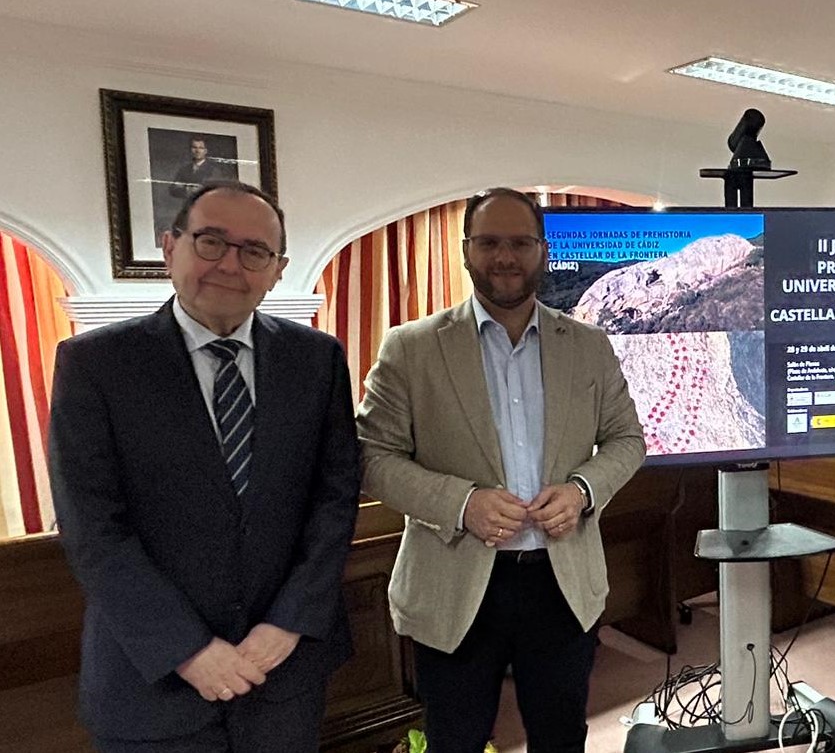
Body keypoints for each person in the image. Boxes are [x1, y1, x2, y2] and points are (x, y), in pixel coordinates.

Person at [48, 181, 362, 752]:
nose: (230, 265)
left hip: (282, 675)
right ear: (170, 248)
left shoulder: (316, 358)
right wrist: (186, 649)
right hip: (152, 684)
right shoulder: (96, 364)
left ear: (278, 270)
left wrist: (288, 621)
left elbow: (334, 498)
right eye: (211, 241)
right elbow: (92, 526)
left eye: (255, 251)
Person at [357, 187, 645, 753]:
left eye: (520, 242)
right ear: (465, 250)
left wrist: (583, 491)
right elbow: (372, 457)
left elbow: (627, 440)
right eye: (489, 242)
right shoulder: (410, 349)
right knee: (455, 741)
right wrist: (462, 503)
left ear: (542, 250)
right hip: (454, 586)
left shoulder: (588, 345)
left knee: (561, 739)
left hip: (562, 585)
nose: (505, 257)